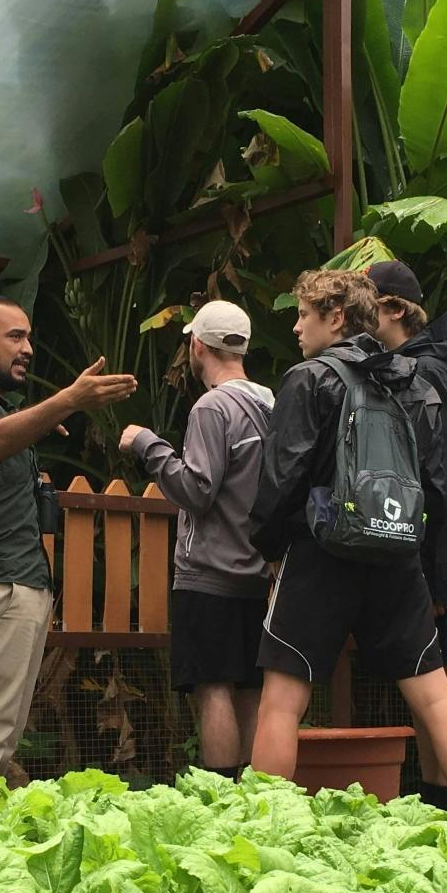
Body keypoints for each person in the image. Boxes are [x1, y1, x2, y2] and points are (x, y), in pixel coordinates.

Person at [246, 268, 447, 808]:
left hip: (320, 552)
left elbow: (281, 478)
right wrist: (426, 567)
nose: (296, 328)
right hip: (397, 552)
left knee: (283, 700)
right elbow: (441, 486)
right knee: (434, 697)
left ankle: (263, 829)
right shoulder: (413, 382)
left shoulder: (309, 379)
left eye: (304, 315)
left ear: (334, 317)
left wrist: (270, 550)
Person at [0, 298, 135, 794]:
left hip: (20, 582)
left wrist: (38, 420)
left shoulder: (1, 404)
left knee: (0, 730)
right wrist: (66, 400)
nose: (27, 348)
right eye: (14, 337)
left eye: (28, 338)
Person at [118, 300, 275, 779]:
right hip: (260, 574)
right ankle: (254, 796)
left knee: (212, 686)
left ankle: (222, 795)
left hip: (210, 574)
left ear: (196, 345)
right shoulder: (272, 402)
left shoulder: (213, 406)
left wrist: (148, 445)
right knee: (249, 686)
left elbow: (197, 489)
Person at [368, 260, 447, 811]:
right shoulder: (406, 366)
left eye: (367, 301)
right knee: (429, 672)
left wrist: (439, 573)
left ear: (395, 309)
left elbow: (445, 480)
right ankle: (433, 796)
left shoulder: (432, 370)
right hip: (425, 545)